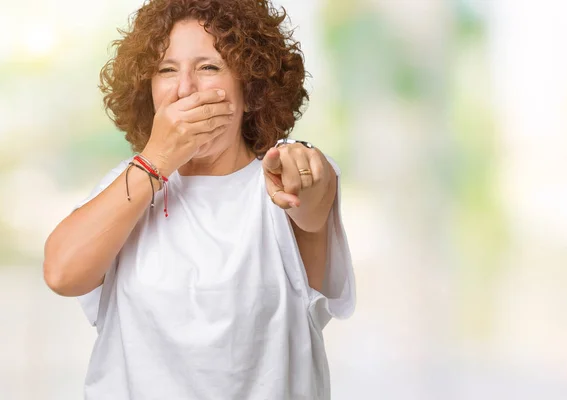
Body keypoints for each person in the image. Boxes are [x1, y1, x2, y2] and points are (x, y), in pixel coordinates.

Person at [43, 0, 355, 399]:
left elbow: (311, 193)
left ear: (251, 87)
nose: (185, 88)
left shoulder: (277, 180)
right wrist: (157, 160)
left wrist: (304, 170)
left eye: (208, 67)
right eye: (166, 70)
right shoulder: (132, 185)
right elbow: (62, 274)